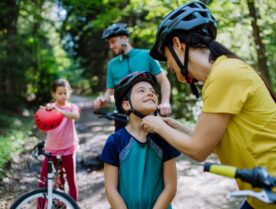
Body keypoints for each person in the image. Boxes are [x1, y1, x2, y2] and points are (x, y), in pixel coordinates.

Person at [141, 2, 276, 209]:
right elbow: (211, 141)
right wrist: (174, 126)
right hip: (260, 195)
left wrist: (157, 125)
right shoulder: (222, 74)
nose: (169, 66)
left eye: (167, 57)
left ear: (178, 44)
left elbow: (199, 150)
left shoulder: (225, 74)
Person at [100, 72, 180, 209]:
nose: (150, 93)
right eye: (141, 90)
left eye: (152, 91)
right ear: (126, 105)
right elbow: (110, 189)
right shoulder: (115, 141)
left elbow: (171, 187)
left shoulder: (164, 136)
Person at [94, 23, 172, 130]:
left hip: (148, 115)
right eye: (109, 43)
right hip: (122, 117)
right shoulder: (112, 64)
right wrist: (103, 99)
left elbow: (163, 81)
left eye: (113, 42)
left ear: (124, 38)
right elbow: (109, 91)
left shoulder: (146, 55)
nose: (111, 46)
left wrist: (165, 102)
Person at [38, 78, 80, 206]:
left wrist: (59, 110)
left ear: (69, 92)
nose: (62, 96)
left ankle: (72, 206)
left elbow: (75, 116)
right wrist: (43, 113)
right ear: (53, 94)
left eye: (65, 93)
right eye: (59, 93)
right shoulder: (49, 108)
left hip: (68, 148)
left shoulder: (72, 107)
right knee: (43, 182)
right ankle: (40, 207)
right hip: (51, 149)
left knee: (71, 180)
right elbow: (41, 128)